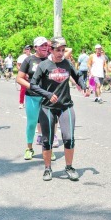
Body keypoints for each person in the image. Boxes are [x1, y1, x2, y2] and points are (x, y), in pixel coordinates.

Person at [30, 37, 90, 181]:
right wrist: (48, 94)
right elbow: (33, 84)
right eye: (58, 50)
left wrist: (84, 86)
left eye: (63, 50)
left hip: (65, 106)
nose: (61, 53)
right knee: (47, 140)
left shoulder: (67, 63)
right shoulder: (44, 65)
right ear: (51, 49)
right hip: (48, 107)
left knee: (69, 138)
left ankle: (69, 167)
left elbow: (78, 76)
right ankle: (47, 168)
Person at [16, 37, 52, 161]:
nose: (44, 47)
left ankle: (48, 149)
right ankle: (29, 148)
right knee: (32, 123)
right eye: (41, 45)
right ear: (35, 47)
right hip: (31, 96)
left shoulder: (51, 59)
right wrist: (31, 86)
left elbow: (67, 51)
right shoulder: (29, 60)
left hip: (47, 96)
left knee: (47, 124)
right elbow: (19, 78)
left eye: (46, 45)